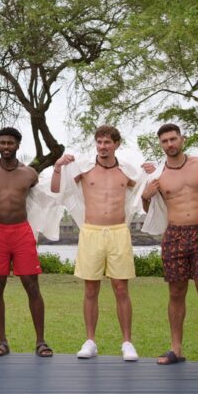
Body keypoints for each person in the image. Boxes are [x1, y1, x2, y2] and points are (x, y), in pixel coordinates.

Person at [51, 125, 147, 362]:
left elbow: (145, 191)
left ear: (116, 144)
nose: (103, 147)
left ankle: (127, 343)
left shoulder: (127, 172)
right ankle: (90, 341)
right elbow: (57, 190)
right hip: (91, 231)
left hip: (118, 232)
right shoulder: (84, 170)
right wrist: (58, 167)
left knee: (121, 289)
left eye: (107, 142)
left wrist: (153, 174)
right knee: (90, 289)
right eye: (99, 142)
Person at [140, 123, 198, 368]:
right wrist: (146, 195)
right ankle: (176, 347)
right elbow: (149, 210)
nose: (170, 144)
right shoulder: (157, 176)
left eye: (173, 139)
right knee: (176, 293)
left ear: (182, 139)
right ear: (160, 144)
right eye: (164, 141)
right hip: (174, 234)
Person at [0, 127, 60, 358]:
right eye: (2, 143)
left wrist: (59, 169)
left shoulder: (30, 174)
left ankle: (41, 342)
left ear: (17, 145)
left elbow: (46, 194)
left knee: (32, 286)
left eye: (10, 143)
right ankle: (2, 341)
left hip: (22, 232)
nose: (6, 146)